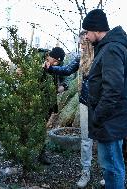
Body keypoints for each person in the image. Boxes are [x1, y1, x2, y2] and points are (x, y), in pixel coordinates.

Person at [44, 31, 105, 188]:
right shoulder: (80, 58)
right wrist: (50, 68)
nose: (81, 46)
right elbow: (66, 70)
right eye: (80, 43)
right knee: (86, 139)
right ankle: (86, 171)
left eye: (83, 43)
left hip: (101, 104)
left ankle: (106, 172)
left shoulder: (102, 56)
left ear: (90, 42)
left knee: (104, 138)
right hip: (85, 102)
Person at [82, 9, 127, 189]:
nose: (86, 36)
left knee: (112, 167)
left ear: (96, 30)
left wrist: (98, 117)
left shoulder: (111, 49)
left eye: (87, 32)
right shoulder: (107, 47)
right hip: (109, 121)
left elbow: (113, 90)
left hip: (110, 122)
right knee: (110, 165)